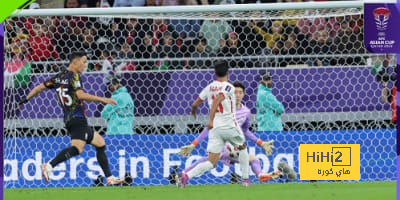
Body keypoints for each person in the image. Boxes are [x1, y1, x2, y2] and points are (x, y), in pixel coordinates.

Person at [18, 51, 124, 185]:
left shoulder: (58, 77)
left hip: (70, 118)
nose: (85, 65)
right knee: (77, 149)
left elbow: (39, 88)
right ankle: (49, 165)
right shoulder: (74, 76)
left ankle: (110, 178)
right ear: (75, 61)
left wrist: (25, 99)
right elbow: (80, 95)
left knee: (100, 143)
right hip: (76, 117)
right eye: (84, 62)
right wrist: (103, 99)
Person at [178, 81, 280, 183]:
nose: (238, 95)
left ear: (244, 94)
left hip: (235, 148)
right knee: (211, 160)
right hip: (224, 146)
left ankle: (260, 175)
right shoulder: (224, 110)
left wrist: (261, 143)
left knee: (252, 159)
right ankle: (184, 173)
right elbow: (209, 128)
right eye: (235, 92)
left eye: (240, 93)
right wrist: (194, 144)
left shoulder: (246, 112)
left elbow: (245, 131)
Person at [177, 60, 250, 187]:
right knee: (243, 148)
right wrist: (210, 119)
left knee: (211, 162)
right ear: (228, 72)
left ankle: (186, 176)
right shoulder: (229, 87)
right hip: (229, 125)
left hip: (215, 129)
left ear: (215, 73)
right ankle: (245, 180)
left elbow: (196, 103)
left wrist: (194, 109)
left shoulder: (209, 87)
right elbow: (217, 100)